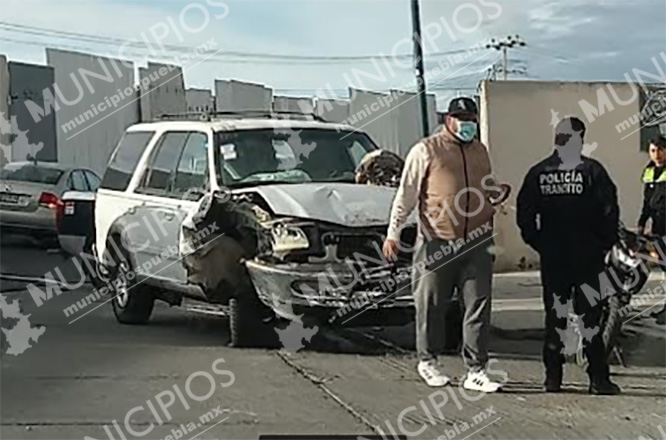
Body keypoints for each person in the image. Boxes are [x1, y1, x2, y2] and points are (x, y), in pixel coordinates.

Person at [383, 97, 503, 392]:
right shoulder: (426, 150)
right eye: (461, 117)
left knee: (478, 303)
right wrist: (393, 232)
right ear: (448, 119)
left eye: (471, 117)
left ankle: (476, 370)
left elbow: (486, 184)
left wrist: (495, 198)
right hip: (437, 240)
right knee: (431, 303)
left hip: (478, 240)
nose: (467, 123)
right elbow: (407, 194)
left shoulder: (480, 150)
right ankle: (428, 360)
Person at [516, 116, 621, 395]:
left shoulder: (539, 172)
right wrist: (603, 244)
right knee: (591, 320)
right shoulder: (592, 171)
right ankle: (598, 379)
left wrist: (540, 243)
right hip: (588, 258)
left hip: (554, 259)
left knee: (555, 317)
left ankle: (553, 379)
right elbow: (610, 210)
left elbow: (525, 214)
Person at [638, 136, 666, 324]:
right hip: (658, 228)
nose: (656, 154)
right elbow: (647, 202)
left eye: (660, 150)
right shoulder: (649, 171)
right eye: (653, 150)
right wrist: (642, 222)